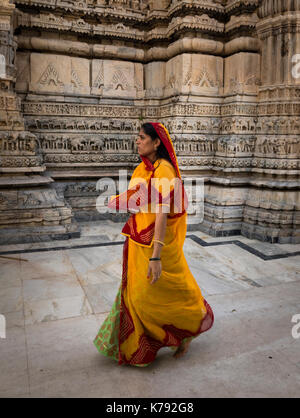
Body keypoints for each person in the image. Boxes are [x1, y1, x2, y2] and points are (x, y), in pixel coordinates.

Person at [93, 122, 214, 366]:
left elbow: (161, 214)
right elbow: (138, 200)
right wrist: (117, 201)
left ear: (156, 142)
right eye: (137, 138)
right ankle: (141, 346)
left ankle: (189, 327)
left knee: (164, 293)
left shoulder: (164, 171)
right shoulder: (144, 168)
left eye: (141, 137)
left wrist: (156, 257)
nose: (137, 141)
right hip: (139, 241)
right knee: (137, 296)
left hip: (158, 246)